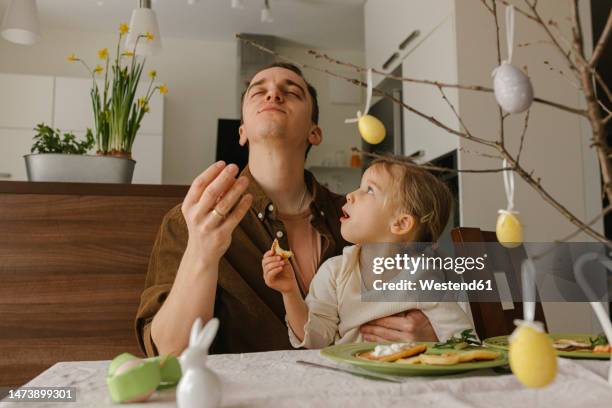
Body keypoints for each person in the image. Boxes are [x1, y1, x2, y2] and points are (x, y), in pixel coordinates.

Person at [135, 62, 440, 357]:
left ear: (314, 132)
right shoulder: (191, 221)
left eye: (291, 91)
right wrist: (202, 251)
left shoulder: (361, 215)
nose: (273, 94)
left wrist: (434, 334)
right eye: (258, 91)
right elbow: (169, 351)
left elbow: (445, 283)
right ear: (241, 131)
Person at [262, 157, 473, 348]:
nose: (351, 195)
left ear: (400, 223)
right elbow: (316, 340)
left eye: (369, 190)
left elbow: (465, 340)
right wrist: (289, 292)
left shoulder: (423, 277)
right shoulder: (335, 272)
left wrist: (435, 341)